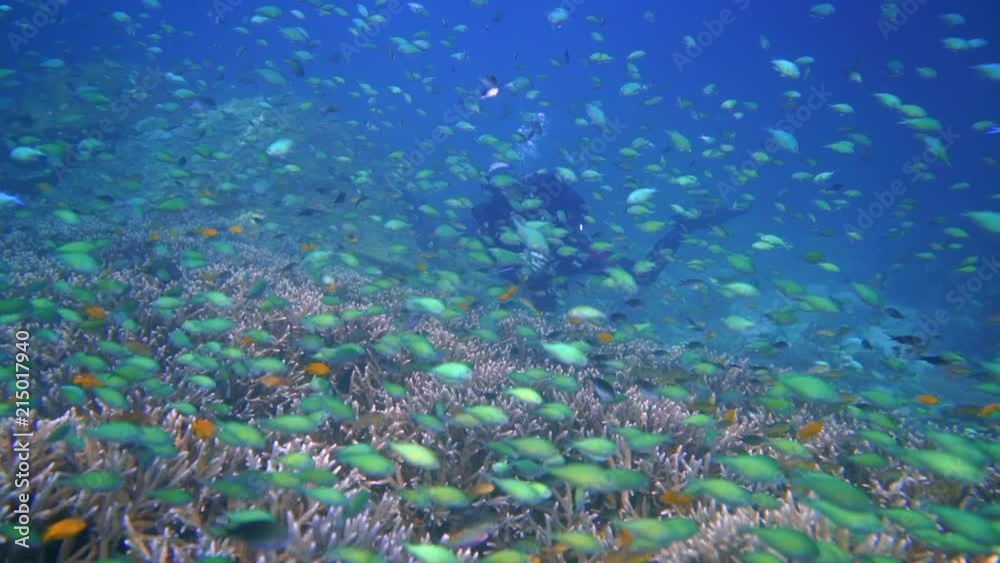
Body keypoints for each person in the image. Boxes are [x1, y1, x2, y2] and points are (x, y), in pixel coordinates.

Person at [469, 171, 749, 310]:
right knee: (546, 311)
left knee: (643, 276)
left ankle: (683, 227)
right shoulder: (489, 216)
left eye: (511, 186)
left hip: (574, 254)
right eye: (501, 188)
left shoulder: (538, 200)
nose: (508, 193)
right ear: (492, 190)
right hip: (544, 272)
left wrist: (575, 237)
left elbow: (576, 213)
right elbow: (496, 262)